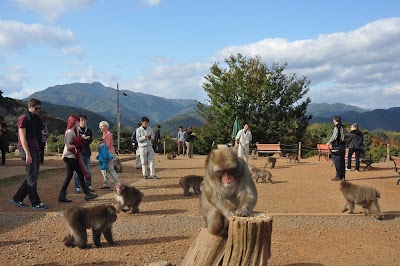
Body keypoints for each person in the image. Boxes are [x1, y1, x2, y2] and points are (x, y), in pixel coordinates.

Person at [10, 98, 49, 210]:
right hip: (27, 150)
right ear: (30, 107)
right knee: (32, 176)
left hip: (35, 149)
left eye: (39, 108)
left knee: (32, 176)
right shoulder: (23, 118)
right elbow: (22, 137)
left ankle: (18, 198)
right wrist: (27, 153)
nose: (38, 110)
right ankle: (35, 202)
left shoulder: (36, 119)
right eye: (36, 108)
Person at [58, 115, 97, 202]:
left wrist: (81, 139)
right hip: (70, 156)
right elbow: (68, 146)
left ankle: (62, 195)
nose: (79, 123)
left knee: (71, 175)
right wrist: (79, 143)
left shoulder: (74, 131)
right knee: (79, 173)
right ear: (73, 122)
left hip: (71, 156)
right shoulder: (69, 132)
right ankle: (86, 194)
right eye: (77, 121)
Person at [73, 115, 94, 193]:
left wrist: (86, 140)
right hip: (78, 153)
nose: (83, 122)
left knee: (88, 170)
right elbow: (74, 141)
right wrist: (82, 139)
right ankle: (77, 187)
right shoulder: (75, 131)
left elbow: (91, 140)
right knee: (77, 171)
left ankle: (88, 185)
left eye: (85, 120)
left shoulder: (88, 130)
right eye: (81, 120)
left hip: (87, 152)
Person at [98, 120, 120, 189]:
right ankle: (107, 183)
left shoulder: (108, 135)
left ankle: (117, 185)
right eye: (100, 126)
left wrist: (100, 143)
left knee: (110, 169)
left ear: (106, 126)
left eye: (102, 126)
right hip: (105, 154)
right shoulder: (105, 134)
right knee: (104, 170)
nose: (100, 128)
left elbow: (107, 145)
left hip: (108, 153)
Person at [327, 116, 346, 181]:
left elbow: (334, 137)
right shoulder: (343, 127)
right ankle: (342, 176)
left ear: (335, 120)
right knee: (342, 161)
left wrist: (329, 142)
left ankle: (338, 176)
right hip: (343, 146)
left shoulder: (336, 127)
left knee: (337, 161)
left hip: (337, 146)